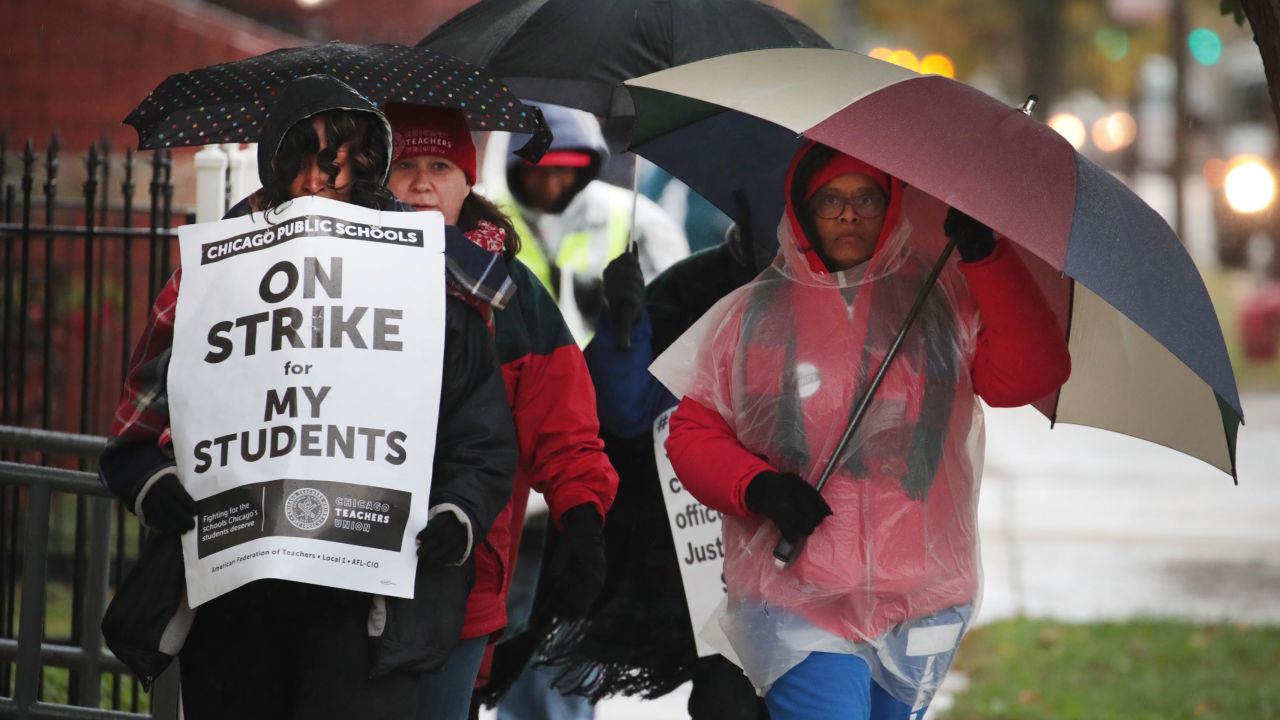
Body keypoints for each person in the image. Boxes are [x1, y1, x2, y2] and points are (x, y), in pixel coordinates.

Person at [98, 75, 518, 719]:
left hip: (370, 612)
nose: (324, 181)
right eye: (309, 159)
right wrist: (153, 482)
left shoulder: (432, 289)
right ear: (276, 164)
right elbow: (135, 431)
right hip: (236, 602)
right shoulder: (209, 282)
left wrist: (455, 516)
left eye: (348, 164)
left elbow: (482, 439)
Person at [655, 141, 1071, 719]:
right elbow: (694, 429)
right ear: (803, 208)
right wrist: (759, 488)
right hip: (796, 595)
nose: (849, 213)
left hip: (924, 597)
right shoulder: (753, 315)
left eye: (866, 198)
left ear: (891, 204)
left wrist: (988, 259)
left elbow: (1029, 375)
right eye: (830, 200)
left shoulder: (940, 301)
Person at [382, 103, 619, 720]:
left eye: (440, 165)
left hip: (461, 575)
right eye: (403, 164)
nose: (422, 182)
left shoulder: (508, 292)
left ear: (468, 182)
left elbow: (565, 425)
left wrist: (584, 519)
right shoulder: (326, 273)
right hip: (334, 564)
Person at [534, 222, 771, 719]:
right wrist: (624, 326)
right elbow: (625, 412)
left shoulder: (866, 294)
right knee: (729, 701)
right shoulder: (696, 286)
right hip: (715, 564)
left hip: (835, 564)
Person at [496, 101, 689, 345]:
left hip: (611, 374)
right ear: (515, 169)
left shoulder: (640, 221)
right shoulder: (484, 217)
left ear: (585, 167)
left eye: (563, 170)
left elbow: (676, 319)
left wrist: (630, 311)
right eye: (539, 171)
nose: (551, 185)